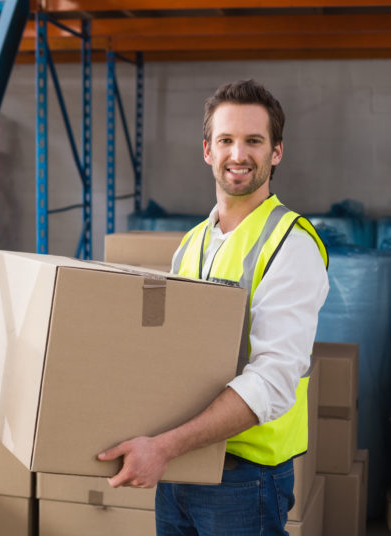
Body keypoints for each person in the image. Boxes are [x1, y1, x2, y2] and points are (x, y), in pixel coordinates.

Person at [98, 79, 329, 535]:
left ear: (276, 152)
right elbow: (171, 356)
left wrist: (164, 446)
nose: (238, 154)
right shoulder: (192, 243)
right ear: (207, 150)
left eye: (254, 141)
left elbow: (274, 380)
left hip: (245, 478)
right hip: (181, 465)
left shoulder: (290, 244)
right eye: (226, 140)